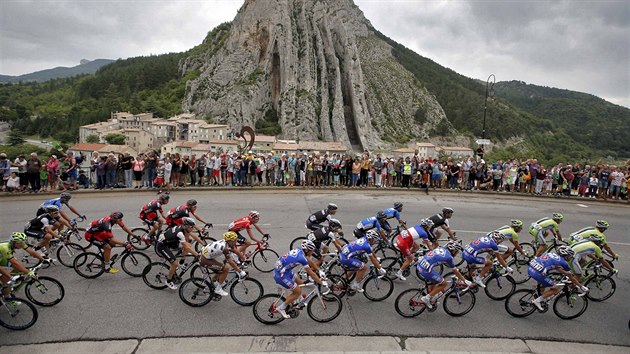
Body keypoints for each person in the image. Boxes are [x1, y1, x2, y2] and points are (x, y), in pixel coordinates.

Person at [273, 240, 327, 319]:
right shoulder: (301, 258)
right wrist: (321, 282)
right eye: (311, 251)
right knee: (298, 291)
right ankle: (282, 308)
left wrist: (319, 271)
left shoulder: (299, 249)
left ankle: (295, 301)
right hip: (281, 275)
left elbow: (310, 261)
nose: (312, 253)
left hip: (284, 271)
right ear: (306, 250)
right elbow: (311, 273)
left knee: (300, 283)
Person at [528, 246, 589, 311]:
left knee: (544, 280)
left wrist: (565, 273)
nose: (570, 258)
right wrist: (581, 287)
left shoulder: (551, 254)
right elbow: (571, 277)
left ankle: (540, 295)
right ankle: (537, 301)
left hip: (531, 268)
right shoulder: (564, 263)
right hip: (538, 274)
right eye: (570, 256)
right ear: (566, 255)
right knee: (556, 289)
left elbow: (556, 267)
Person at [417, 240, 472, 308]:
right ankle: (426, 298)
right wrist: (465, 280)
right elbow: (455, 271)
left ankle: (431, 297)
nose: (456, 253)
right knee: (444, 283)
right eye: (457, 252)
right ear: (454, 251)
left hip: (420, 265)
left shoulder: (441, 248)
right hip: (426, 270)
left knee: (435, 281)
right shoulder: (449, 258)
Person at [155, 217, 199, 289]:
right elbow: (186, 247)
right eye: (192, 227)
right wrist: (197, 255)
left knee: (187, 246)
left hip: (169, 243)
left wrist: (202, 244)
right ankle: (168, 281)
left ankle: (180, 263)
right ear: (186, 226)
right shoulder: (180, 233)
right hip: (162, 246)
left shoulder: (183, 228)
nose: (193, 229)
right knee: (175, 264)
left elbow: (189, 241)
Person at [0, 232, 50, 296]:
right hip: (2, 257)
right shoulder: (5, 247)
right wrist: (28, 272)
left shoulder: (19, 243)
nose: (22, 245)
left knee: (19, 268)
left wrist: (43, 259)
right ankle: (6, 293)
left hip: (2, 258)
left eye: (23, 242)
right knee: (7, 274)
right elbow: (14, 263)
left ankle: (6, 283)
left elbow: (32, 252)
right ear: (13, 242)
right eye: (20, 243)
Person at [199, 231, 247, 297]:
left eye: (236, 240)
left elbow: (235, 250)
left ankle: (213, 284)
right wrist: (240, 271)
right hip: (205, 260)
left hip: (207, 256)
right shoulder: (224, 248)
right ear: (230, 241)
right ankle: (218, 289)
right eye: (234, 240)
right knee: (226, 268)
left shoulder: (227, 242)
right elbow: (230, 262)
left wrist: (244, 258)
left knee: (221, 267)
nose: (236, 242)